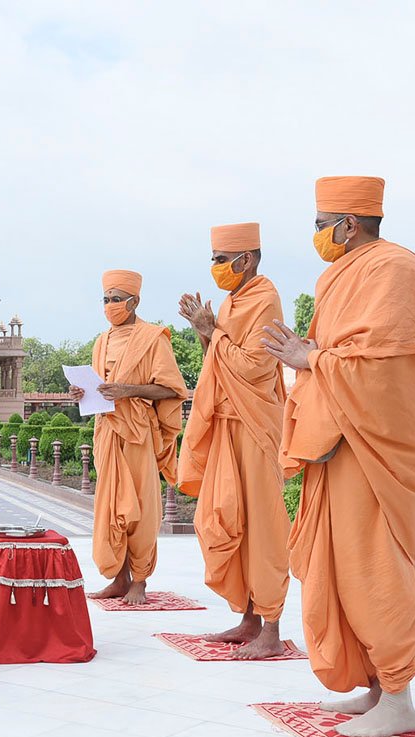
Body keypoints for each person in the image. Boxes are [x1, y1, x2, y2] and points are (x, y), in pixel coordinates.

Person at [264, 176, 415, 737]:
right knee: (341, 570)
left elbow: (388, 371)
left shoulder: (395, 271)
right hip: (339, 444)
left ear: (348, 223)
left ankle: (399, 698)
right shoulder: (337, 276)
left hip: (379, 450)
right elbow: (340, 357)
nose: (317, 235)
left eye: (321, 225)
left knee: (377, 571)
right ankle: (375, 686)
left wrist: (311, 355)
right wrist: (313, 357)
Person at [177, 223, 290, 658]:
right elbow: (218, 364)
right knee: (222, 518)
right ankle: (248, 618)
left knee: (263, 527)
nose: (216, 268)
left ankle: (272, 630)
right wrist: (206, 331)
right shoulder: (230, 302)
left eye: (221, 260)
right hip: (227, 425)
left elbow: (253, 367)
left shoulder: (265, 298)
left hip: (256, 427)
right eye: (213, 259)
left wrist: (214, 331)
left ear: (247, 259)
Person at [70, 270, 186, 605]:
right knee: (110, 506)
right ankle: (119, 578)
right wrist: (81, 392)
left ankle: (141, 580)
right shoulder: (101, 341)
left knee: (141, 507)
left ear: (134, 301)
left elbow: (171, 388)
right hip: (107, 429)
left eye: (116, 299)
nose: (110, 306)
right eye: (106, 299)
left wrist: (128, 390)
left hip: (137, 431)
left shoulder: (153, 338)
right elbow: (100, 387)